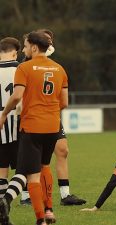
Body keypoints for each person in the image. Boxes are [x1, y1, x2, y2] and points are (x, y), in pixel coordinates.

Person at [0, 31, 69, 225]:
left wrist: (5, 114)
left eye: (25, 45)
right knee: (44, 165)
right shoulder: (59, 69)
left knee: (32, 175)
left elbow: (16, 96)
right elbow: (64, 102)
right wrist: (49, 110)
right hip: (53, 126)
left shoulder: (25, 67)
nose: (24, 49)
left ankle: (41, 219)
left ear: (34, 47)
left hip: (32, 126)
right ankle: (49, 211)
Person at [18, 28, 86, 206]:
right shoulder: (26, 64)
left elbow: (62, 98)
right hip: (32, 117)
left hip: (52, 115)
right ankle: (27, 195)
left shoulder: (54, 67)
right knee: (35, 158)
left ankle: (65, 195)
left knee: (62, 150)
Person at [0, 37, 28, 225]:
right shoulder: (21, 69)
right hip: (17, 123)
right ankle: (18, 198)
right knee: (25, 168)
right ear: (14, 52)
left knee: (1, 171)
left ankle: (1, 208)